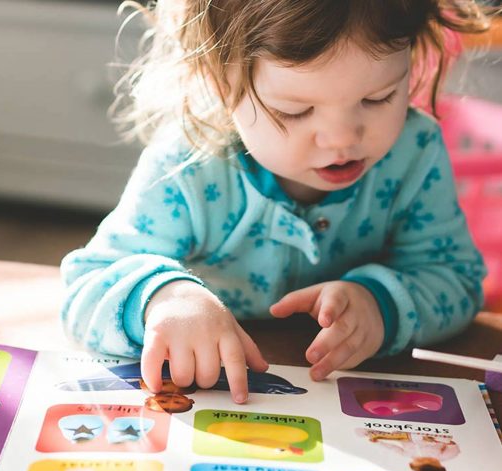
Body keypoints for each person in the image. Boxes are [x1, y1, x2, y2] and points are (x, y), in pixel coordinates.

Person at [60, 0, 493, 404]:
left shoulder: (414, 152)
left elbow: (455, 278)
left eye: (378, 98)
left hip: (347, 392)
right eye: (295, 110)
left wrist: (380, 305)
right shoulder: (189, 166)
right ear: (218, 84)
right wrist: (163, 298)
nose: (342, 138)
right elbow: (88, 284)